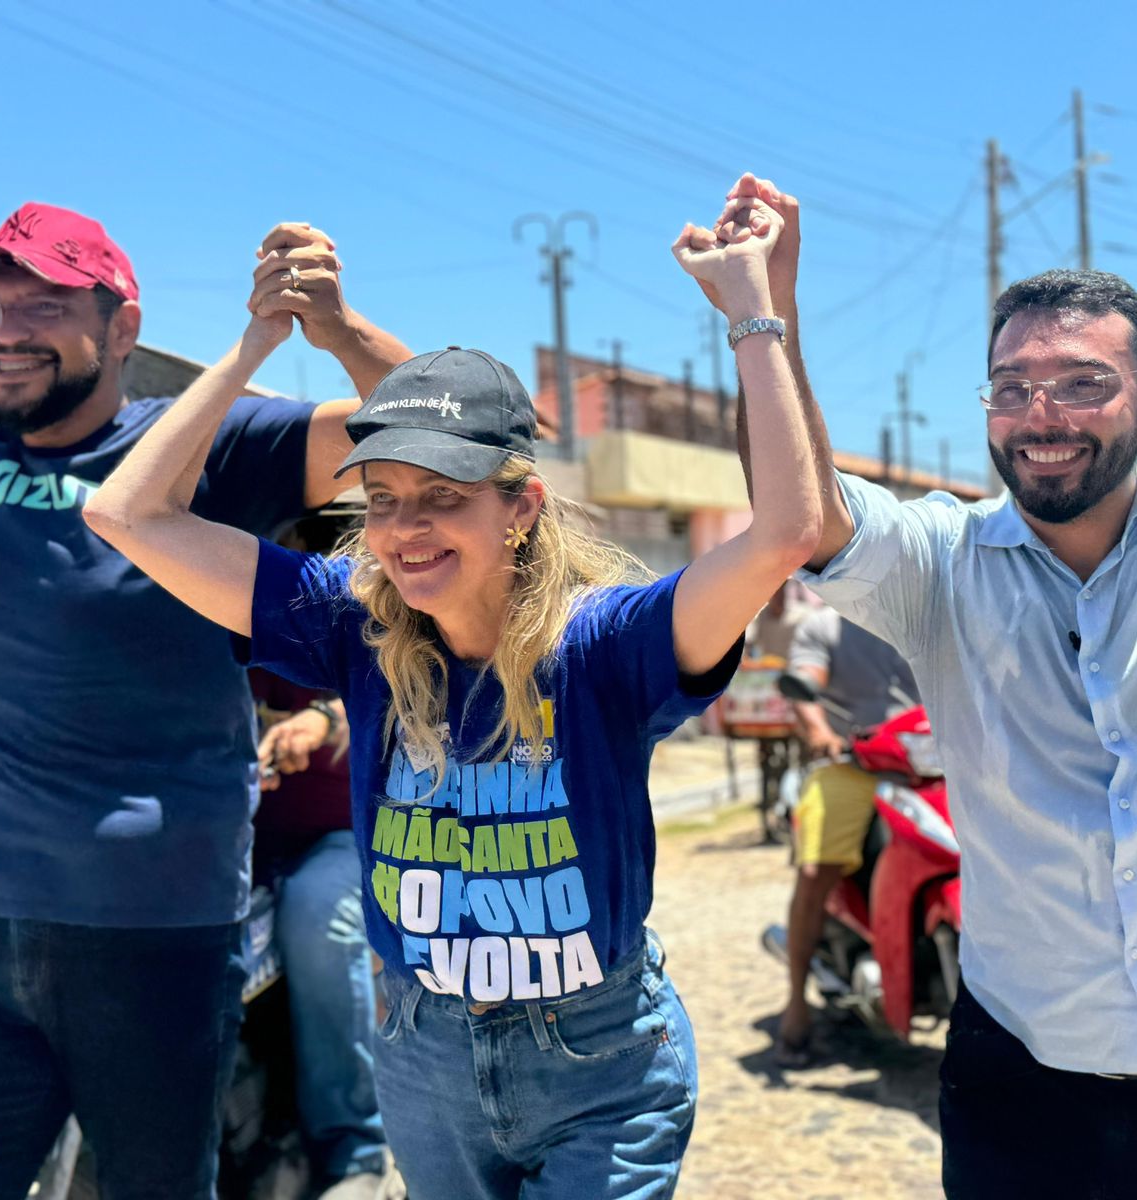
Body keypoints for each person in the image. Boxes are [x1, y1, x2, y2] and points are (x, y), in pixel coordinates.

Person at [709, 35, 1137, 1199]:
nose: (1043, 414)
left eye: (1082, 382)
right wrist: (766, 321)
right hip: (1017, 1079)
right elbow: (801, 518)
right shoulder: (942, 560)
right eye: (1014, 387)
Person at [82, 191, 821, 1199]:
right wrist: (255, 345)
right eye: (381, 499)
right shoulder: (354, 622)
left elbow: (784, 535)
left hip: (597, 1062)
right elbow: (124, 513)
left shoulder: (605, 645)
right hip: (421, 1055)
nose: (404, 529)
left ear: (519, 508)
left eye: (443, 496)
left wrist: (752, 308)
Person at [0, 203, 414, 1199]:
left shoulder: (210, 446)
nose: (4, 331)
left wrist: (337, 329)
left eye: (42, 305)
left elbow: (431, 431)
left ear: (120, 327)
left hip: (158, 933)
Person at [248, 517, 390, 1199]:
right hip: (233, 836)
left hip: (342, 834)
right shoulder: (228, 592)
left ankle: (353, 1148)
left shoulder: (371, 603)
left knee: (316, 917)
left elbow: (391, 687)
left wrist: (321, 721)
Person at [773, 607, 920, 1065]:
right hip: (850, 764)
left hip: (924, 764)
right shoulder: (822, 626)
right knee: (816, 870)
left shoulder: (918, 615)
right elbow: (805, 682)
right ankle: (796, 1003)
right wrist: (818, 731)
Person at [745, 580, 809, 661]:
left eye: (781, 591)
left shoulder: (802, 614)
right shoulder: (759, 615)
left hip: (794, 665)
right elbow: (748, 641)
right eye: (774, 593)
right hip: (766, 666)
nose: (778, 596)